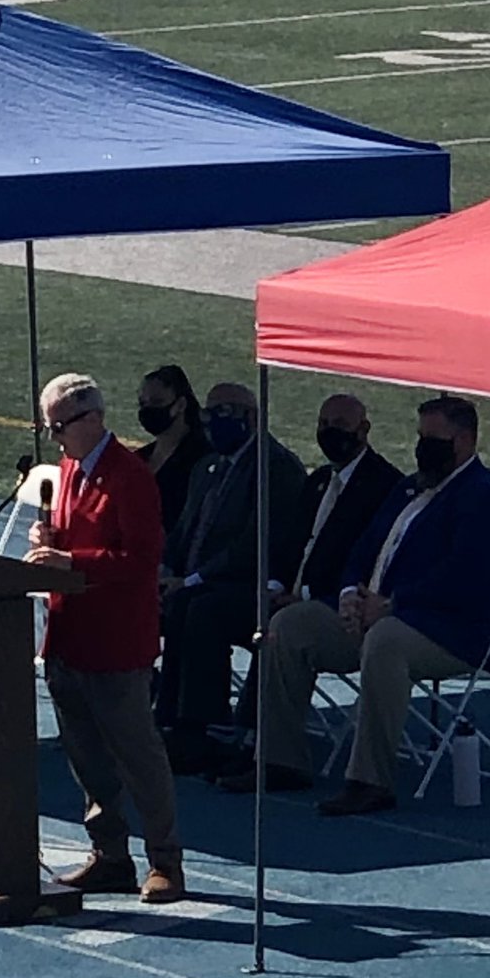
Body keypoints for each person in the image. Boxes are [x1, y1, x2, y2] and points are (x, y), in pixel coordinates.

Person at [222, 396, 490, 815]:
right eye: (420, 437)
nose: (422, 447)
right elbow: (364, 549)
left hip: (447, 631)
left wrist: (394, 604)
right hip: (376, 614)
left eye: (433, 439)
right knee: (289, 624)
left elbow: (469, 577)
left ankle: (369, 780)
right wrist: (349, 595)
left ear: (465, 440)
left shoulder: (487, 497)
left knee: (385, 642)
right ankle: (279, 759)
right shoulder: (410, 486)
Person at [24, 371, 185, 903]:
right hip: (69, 635)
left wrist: (71, 559)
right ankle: (110, 853)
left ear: (92, 419)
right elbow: (74, 536)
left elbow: (141, 559)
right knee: (87, 757)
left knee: (138, 756)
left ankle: (166, 860)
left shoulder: (130, 475)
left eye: (60, 426)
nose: (55, 438)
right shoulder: (70, 468)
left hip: (116, 643)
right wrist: (48, 539)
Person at [219, 394, 402, 756]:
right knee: (206, 608)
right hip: (289, 596)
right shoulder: (319, 480)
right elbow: (290, 543)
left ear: (363, 430)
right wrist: (274, 585)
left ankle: (259, 739)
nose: (329, 433)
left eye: (339, 426)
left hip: (335, 608)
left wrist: (303, 595)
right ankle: (202, 723)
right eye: (323, 425)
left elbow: (367, 562)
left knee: (283, 625)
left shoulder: (384, 487)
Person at [154, 382, 306, 772]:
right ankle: (168, 714)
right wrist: (164, 570)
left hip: (252, 587)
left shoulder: (276, 468)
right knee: (172, 601)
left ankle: (204, 724)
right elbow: (183, 531)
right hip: (198, 581)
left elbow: (252, 546)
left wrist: (190, 580)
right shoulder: (208, 467)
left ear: (251, 417)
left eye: (222, 414)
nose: (211, 423)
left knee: (200, 608)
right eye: (207, 414)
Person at [134, 365, 209, 533]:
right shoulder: (139, 458)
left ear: (181, 404)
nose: (148, 410)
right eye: (143, 403)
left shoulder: (201, 459)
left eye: (157, 402)